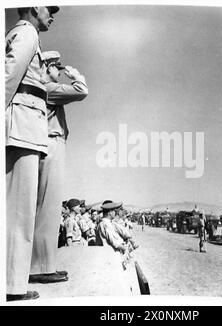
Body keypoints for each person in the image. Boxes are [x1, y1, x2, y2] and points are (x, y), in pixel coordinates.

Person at [5, 6, 60, 301]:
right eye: (49, 8)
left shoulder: (26, 35)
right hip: (21, 130)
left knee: (19, 210)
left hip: (24, 130)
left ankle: (11, 282)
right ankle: (11, 286)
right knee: (18, 212)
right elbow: (8, 77)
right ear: (32, 7)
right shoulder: (27, 33)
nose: (52, 13)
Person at [29, 51, 88, 283]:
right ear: (48, 67)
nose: (59, 72)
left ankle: (44, 264)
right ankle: (40, 267)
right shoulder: (48, 88)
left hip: (50, 144)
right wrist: (75, 75)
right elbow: (81, 91)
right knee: (48, 207)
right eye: (57, 67)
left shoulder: (45, 89)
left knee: (47, 206)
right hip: (51, 143)